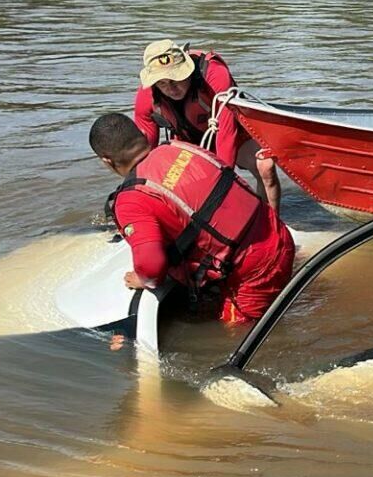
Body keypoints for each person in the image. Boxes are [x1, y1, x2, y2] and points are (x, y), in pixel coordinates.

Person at [90, 112, 296, 323]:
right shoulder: (182, 147)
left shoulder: (131, 199)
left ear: (107, 160)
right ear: (142, 135)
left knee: (236, 335)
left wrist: (143, 279)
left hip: (257, 271)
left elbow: (152, 267)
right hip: (277, 233)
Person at [133, 38, 282, 212]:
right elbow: (143, 154)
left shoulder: (215, 74)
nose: (171, 89)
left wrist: (222, 185)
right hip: (187, 138)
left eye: (175, 79)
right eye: (162, 83)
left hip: (227, 130)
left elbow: (227, 132)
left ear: (187, 70)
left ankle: (272, 224)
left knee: (266, 167)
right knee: (178, 186)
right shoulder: (147, 95)